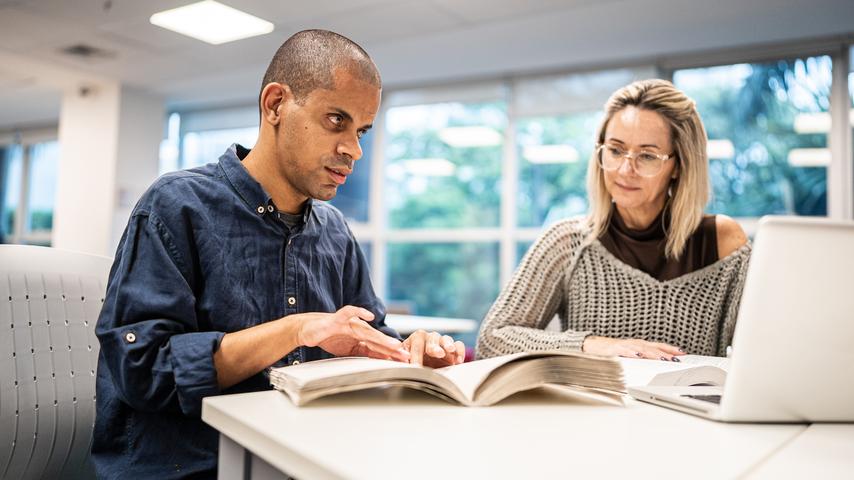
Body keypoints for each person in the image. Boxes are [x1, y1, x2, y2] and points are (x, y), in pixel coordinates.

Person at [92, 29, 465, 479]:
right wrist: (295, 330)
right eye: (336, 120)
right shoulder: (176, 206)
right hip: (191, 467)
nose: (354, 150)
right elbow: (143, 369)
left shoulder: (334, 233)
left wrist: (409, 354)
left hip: (302, 460)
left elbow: (367, 334)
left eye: (362, 130)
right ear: (275, 105)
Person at [476, 79, 749, 362]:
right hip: (591, 407)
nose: (625, 169)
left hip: (686, 408)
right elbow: (492, 340)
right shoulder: (568, 242)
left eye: (647, 155)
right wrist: (592, 345)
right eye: (616, 150)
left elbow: (768, 352)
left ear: (679, 165)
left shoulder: (723, 243)